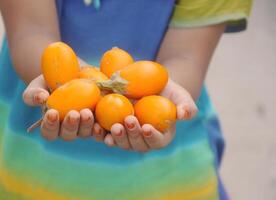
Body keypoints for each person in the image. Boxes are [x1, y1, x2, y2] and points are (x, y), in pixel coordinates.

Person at [0, 0, 252, 199]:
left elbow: (186, 58)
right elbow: (30, 32)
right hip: (34, 164)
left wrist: (154, 103)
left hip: (167, 175)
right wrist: (85, 85)